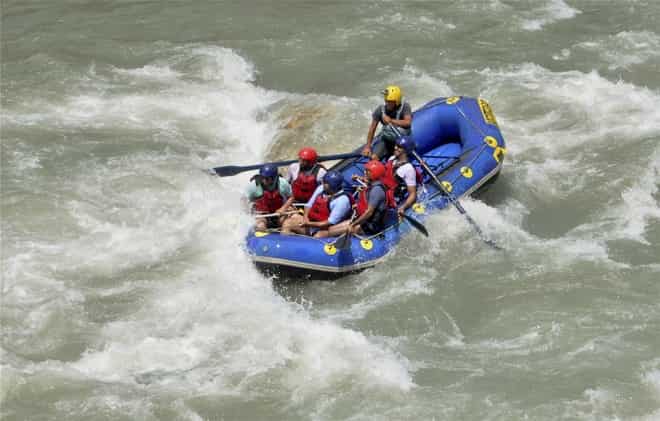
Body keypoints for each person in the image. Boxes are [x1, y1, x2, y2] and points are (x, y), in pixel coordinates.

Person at [281, 171, 352, 238]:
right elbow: (308, 205)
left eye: (325, 182)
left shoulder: (342, 200)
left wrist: (308, 224)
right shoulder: (321, 188)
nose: (322, 183)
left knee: (316, 238)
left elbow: (329, 223)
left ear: (332, 186)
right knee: (287, 223)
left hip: (326, 229)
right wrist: (305, 218)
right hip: (311, 222)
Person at [334, 160, 396, 236]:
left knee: (332, 232)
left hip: (369, 226)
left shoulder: (376, 190)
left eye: (367, 171)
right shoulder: (372, 183)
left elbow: (369, 213)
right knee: (331, 230)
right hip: (362, 219)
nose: (365, 172)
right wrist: (358, 206)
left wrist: (353, 224)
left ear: (374, 174)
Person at [362, 85, 412, 160]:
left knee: (400, 160)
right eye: (386, 101)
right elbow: (372, 129)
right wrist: (367, 147)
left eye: (390, 102)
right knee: (374, 157)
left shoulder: (405, 107)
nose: (387, 103)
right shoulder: (380, 110)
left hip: (402, 141)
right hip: (386, 140)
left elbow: (408, 122)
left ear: (396, 101)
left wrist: (391, 121)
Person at [244, 164, 292, 231]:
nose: (264, 180)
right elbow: (244, 199)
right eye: (262, 177)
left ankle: (285, 237)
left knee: (288, 224)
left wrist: (284, 208)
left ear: (274, 177)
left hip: (278, 214)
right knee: (261, 226)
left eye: (267, 178)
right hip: (261, 216)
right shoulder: (254, 185)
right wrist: (248, 212)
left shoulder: (282, 183)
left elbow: (292, 196)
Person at [382, 136, 419, 217]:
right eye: (396, 145)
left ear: (406, 150)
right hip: (383, 192)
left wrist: (403, 207)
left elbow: (413, 194)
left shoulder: (409, 169)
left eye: (399, 147)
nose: (395, 147)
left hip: (393, 197)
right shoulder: (392, 158)